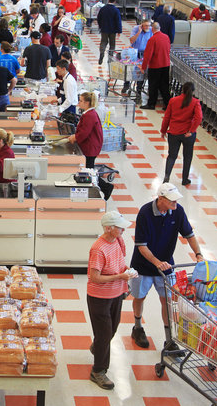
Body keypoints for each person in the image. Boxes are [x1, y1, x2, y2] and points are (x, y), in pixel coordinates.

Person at [129, 183, 204, 350]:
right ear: (160, 199)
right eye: (172, 201)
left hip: (166, 265)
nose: (175, 205)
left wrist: (198, 254)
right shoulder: (145, 213)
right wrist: (156, 262)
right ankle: (137, 327)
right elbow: (141, 245)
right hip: (143, 266)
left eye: (176, 201)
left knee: (167, 301)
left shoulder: (178, 211)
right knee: (140, 297)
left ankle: (169, 339)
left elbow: (189, 235)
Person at [87, 211, 136, 390]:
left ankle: (98, 347)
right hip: (99, 297)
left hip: (116, 294)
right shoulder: (98, 249)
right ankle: (98, 371)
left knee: (112, 329)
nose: (123, 229)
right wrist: (119, 276)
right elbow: (95, 278)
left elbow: (120, 263)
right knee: (105, 333)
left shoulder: (118, 241)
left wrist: (128, 272)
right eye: (119, 226)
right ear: (108, 228)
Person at [160, 81, 202, 187]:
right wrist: (191, 131)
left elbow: (167, 117)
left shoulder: (173, 100)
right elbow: (199, 117)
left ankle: (166, 176)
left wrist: (163, 130)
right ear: (193, 91)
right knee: (187, 157)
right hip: (187, 135)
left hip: (173, 132)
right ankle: (185, 179)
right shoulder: (195, 102)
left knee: (172, 156)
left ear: (182, 89)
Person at [123, 19, 152, 95]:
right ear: (141, 25)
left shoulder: (151, 30)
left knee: (141, 71)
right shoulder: (136, 29)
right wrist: (139, 32)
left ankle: (139, 88)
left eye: (148, 25)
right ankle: (126, 85)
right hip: (134, 53)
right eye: (145, 25)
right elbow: (132, 41)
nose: (147, 27)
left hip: (144, 54)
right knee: (130, 69)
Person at [97, 0, 123, 64]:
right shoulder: (116, 10)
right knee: (112, 44)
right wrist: (119, 31)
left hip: (104, 29)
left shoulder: (103, 9)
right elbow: (118, 21)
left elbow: (98, 18)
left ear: (108, 0)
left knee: (103, 42)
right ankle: (110, 58)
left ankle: (101, 55)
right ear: (114, 2)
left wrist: (100, 26)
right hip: (113, 30)